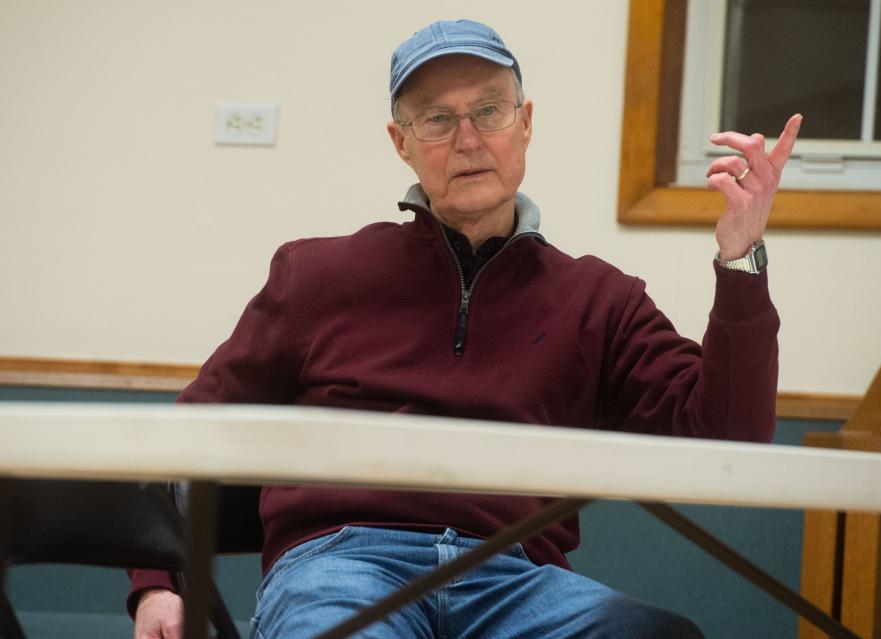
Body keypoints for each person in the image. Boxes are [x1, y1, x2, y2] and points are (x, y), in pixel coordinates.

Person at [131, 18, 801, 639]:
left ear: (526, 124)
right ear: (401, 143)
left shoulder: (600, 299)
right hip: (343, 564)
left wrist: (741, 257)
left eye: (489, 110)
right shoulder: (314, 274)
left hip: (515, 578)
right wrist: (155, 585)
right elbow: (188, 435)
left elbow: (727, 436)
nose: (469, 139)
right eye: (438, 119)